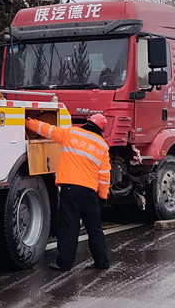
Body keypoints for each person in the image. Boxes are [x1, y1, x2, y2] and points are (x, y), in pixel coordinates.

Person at [25, 112, 112, 271]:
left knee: (69, 228)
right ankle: (102, 263)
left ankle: (64, 263)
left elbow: (46, 129)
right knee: (94, 229)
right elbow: (105, 175)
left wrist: (27, 121)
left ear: (88, 123)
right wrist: (102, 197)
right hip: (90, 192)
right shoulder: (102, 146)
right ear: (101, 130)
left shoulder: (71, 133)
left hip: (70, 190)